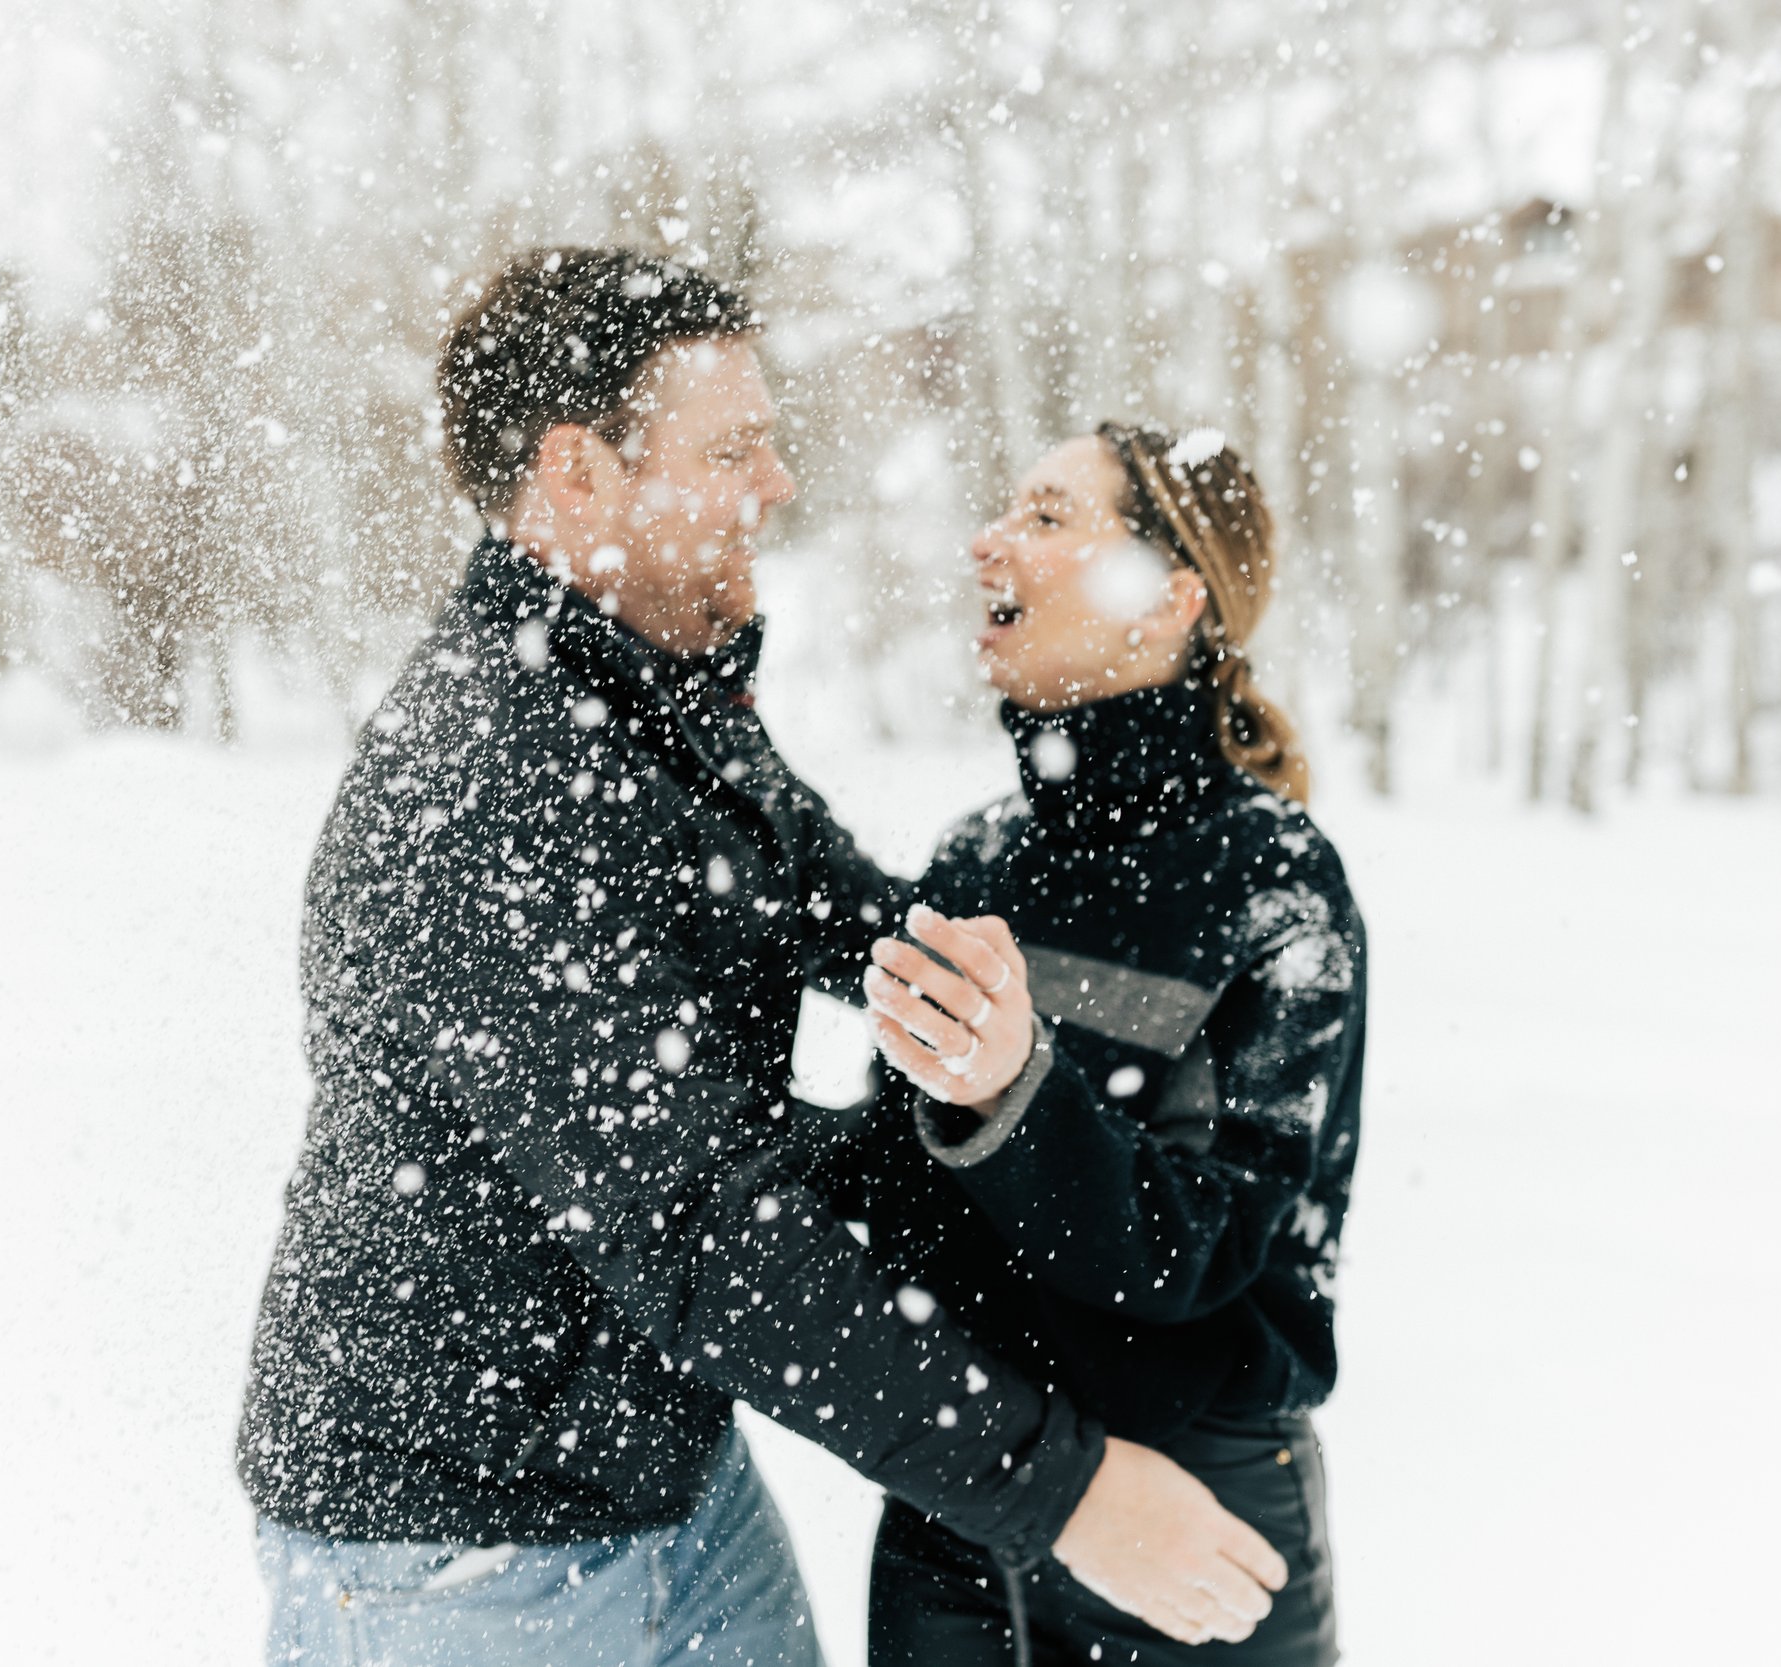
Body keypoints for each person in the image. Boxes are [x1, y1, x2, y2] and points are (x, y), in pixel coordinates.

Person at [235, 251, 1288, 1667]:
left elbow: (873, 931)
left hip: (659, 1478)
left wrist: (1133, 976)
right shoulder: (499, 782)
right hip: (462, 1552)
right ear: (580, 471)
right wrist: (1067, 1489)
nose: (777, 481)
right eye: (732, 447)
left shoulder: (652, 701)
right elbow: (711, 1231)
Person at [842, 422, 1366, 1665]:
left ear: (1171, 596)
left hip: (1194, 1517)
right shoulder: (980, 854)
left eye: (1045, 515)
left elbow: (1203, 1248)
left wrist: (1012, 1097)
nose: (988, 540)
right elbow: (895, 1185)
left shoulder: (1271, 884)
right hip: (967, 1490)